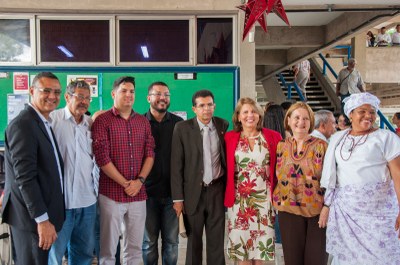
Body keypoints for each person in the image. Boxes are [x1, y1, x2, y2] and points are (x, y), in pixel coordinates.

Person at [319, 92, 400, 264]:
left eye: (372, 112)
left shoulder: (387, 138)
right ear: (351, 114)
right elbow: (333, 176)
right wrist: (327, 205)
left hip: (379, 215)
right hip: (346, 213)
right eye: (362, 111)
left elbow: (398, 175)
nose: (368, 116)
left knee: (383, 257)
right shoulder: (338, 138)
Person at [2, 72, 65, 265]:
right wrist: (42, 220)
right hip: (32, 220)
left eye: (56, 92)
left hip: (39, 216)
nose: (52, 96)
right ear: (31, 91)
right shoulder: (23, 125)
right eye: (46, 91)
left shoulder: (42, 122)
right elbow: (25, 178)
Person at [92, 76, 155, 265]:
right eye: (124, 91)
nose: (129, 95)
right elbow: (102, 157)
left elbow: (150, 153)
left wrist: (140, 181)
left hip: (138, 194)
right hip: (111, 194)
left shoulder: (143, 122)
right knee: (108, 251)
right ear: (113, 94)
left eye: (132, 91)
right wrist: (126, 184)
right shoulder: (102, 120)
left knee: (135, 250)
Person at [171, 89, 228, 265]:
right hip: (192, 193)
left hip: (217, 191)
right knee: (193, 241)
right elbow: (176, 165)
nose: (206, 109)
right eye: (202, 105)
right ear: (194, 109)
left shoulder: (222, 125)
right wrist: (178, 199)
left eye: (210, 105)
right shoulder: (182, 128)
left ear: (214, 106)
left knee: (217, 241)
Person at [224, 97, 282, 264]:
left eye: (254, 111)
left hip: (264, 202)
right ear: (238, 116)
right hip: (238, 203)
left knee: (260, 252)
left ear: (260, 115)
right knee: (242, 251)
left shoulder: (273, 137)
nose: (250, 115)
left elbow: (280, 167)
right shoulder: (229, 138)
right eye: (246, 112)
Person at [48, 80, 97, 265]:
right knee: (54, 253)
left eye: (87, 98)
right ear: (67, 97)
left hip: (87, 202)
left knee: (83, 253)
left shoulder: (90, 124)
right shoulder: (53, 120)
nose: (84, 101)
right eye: (80, 97)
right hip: (61, 202)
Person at [272, 102, 328, 265]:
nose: (301, 122)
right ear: (288, 120)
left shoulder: (321, 146)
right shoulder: (281, 146)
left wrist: (328, 206)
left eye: (306, 118)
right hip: (287, 210)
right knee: (292, 260)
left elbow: (331, 180)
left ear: (311, 122)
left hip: (316, 213)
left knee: (316, 260)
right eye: (297, 117)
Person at [142, 81, 183, 265]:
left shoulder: (179, 124)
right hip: (146, 195)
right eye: (158, 94)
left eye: (166, 94)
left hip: (172, 195)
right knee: (149, 243)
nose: (162, 98)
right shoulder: (140, 123)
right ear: (148, 98)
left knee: (172, 243)